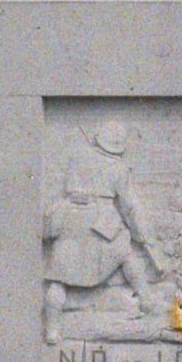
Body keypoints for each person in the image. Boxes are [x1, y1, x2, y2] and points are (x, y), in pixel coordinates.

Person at [42, 119, 157, 343]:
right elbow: (128, 205)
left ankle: (52, 330)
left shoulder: (78, 158)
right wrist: (140, 233)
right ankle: (146, 297)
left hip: (72, 217)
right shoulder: (118, 168)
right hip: (102, 218)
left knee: (58, 278)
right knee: (125, 252)